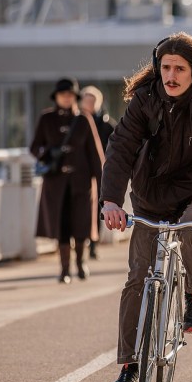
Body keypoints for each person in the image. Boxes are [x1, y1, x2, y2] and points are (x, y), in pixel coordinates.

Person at [100, 32, 192, 382]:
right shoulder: (144, 101)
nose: (171, 75)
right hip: (151, 194)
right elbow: (120, 149)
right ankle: (131, 367)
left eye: (180, 68)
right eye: (165, 67)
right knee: (137, 279)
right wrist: (111, 201)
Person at [30, 77, 103, 284]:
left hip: (81, 182)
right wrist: (47, 152)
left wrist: (103, 183)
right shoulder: (46, 119)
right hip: (55, 184)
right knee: (61, 226)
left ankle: (80, 263)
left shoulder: (84, 120)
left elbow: (95, 155)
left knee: (81, 226)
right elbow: (34, 147)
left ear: (75, 97)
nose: (66, 98)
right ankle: (64, 269)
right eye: (63, 95)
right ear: (57, 97)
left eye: (70, 95)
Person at [79, 85, 114, 260]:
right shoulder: (76, 122)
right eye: (86, 101)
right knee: (80, 208)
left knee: (97, 208)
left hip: (100, 171)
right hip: (80, 171)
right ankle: (79, 244)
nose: (88, 105)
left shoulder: (106, 124)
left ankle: (93, 243)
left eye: (91, 102)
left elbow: (118, 145)